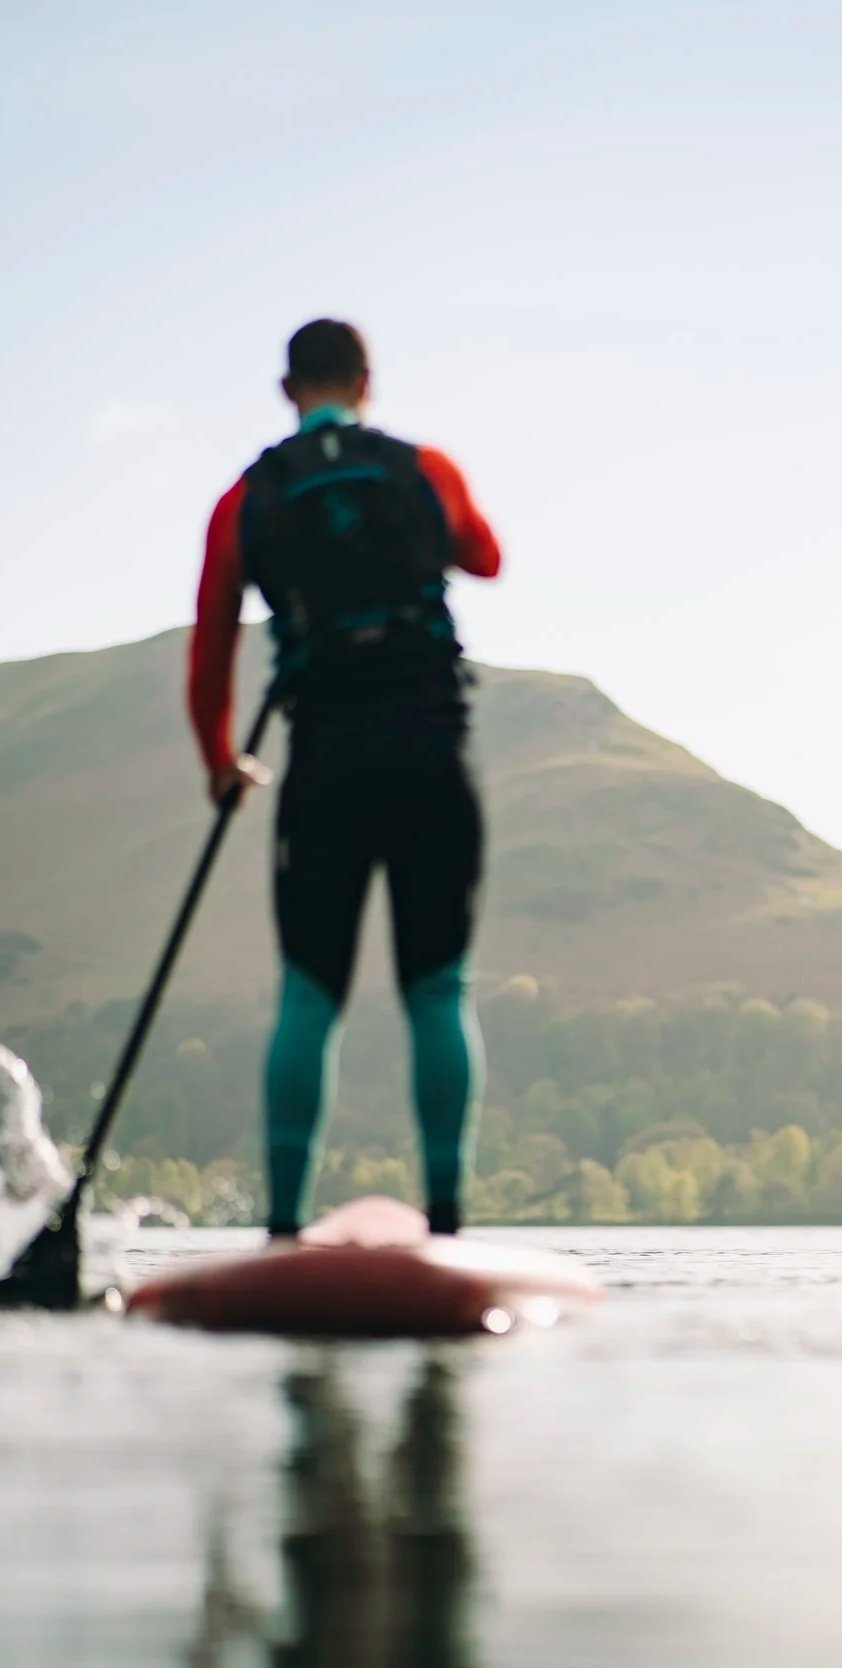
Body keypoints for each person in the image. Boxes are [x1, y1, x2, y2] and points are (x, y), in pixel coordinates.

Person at [188, 319, 502, 1237]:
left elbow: (212, 648)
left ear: (288, 390)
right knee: (438, 989)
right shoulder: (424, 469)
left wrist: (220, 759)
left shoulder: (246, 499)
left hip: (324, 761)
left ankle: (282, 1228)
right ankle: (447, 1223)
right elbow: (486, 558)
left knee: (308, 993)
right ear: (366, 381)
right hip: (431, 749)